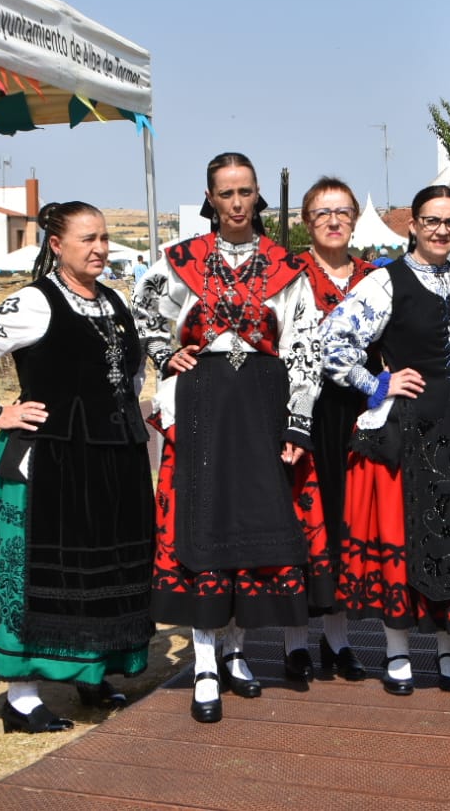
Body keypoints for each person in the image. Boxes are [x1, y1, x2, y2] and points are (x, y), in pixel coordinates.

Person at [0, 201, 155, 734]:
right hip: (55, 461)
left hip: (110, 460)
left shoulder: (113, 301)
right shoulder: (34, 303)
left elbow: (125, 378)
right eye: (88, 239)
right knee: (41, 576)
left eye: (104, 237)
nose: (101, 248)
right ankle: (21, 698)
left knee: (104, 569)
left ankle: (92, 671)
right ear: (57, 246)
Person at [131, 152, 324, 723]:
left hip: (264, 404)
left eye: (245, 191)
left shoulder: (286, 265)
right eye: (226, 193)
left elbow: (306, 347)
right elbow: (142, 311)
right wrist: (167, 352)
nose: (237, 203)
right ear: (210, 199)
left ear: (258, 195)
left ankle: (237, 649)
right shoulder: (180, 261)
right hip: (202, 402)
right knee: (203, 526)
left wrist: (299, 420)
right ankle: (206, 661)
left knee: (252, 531)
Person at [322, 185, 450, 696]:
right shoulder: (384, 283)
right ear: (411, 225)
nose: (442, 230)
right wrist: (377, 383)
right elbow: (332, 340)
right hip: (409, 428)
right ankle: (397, 652)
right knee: (406, 536)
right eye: (432, 221)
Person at [291, 176, 378, 681]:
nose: (333, 220)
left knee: (345, 524)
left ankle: (339, 641)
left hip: (358, 412)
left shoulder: (375, 277)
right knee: (304, 521)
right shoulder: (288, 274)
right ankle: (295, 642)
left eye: (343, 211)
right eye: (323, 212)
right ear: (307, 221)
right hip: (302, 412)